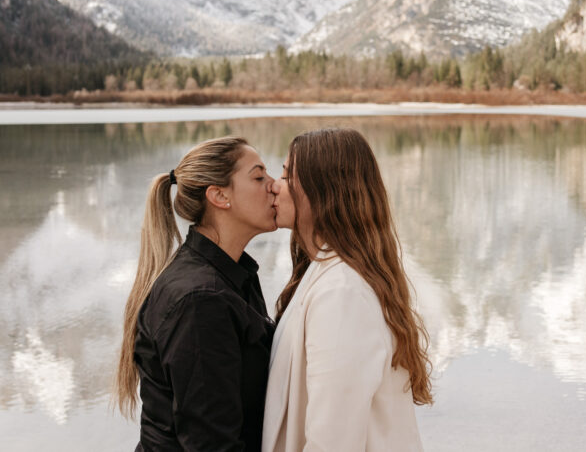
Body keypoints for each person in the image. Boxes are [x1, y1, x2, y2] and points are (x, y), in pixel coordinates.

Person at [262, 128, 432, 452]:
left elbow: (332, 442)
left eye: (286, 176)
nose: (274, 186)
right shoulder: (329, 275)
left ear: (322, 191)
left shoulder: (341, 294)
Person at [114, 136, 278, 452]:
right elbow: (212, 445)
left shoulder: (232, 276)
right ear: (219, 196)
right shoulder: (202, 301)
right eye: (259, 177)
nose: (274, 186)